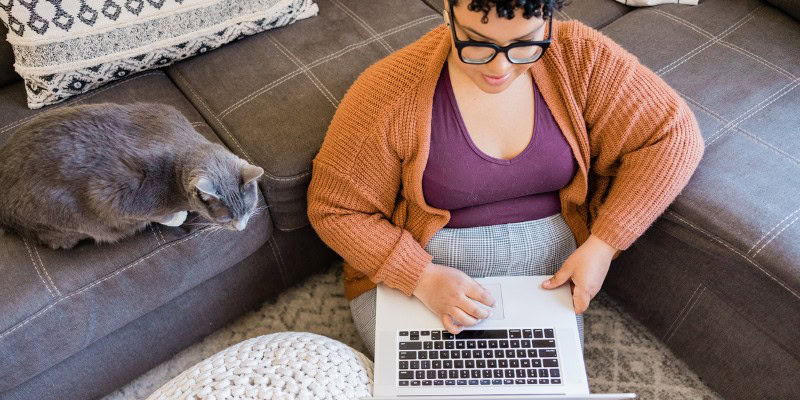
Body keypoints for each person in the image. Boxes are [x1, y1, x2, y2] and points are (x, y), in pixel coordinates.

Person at [307, 0, 704, 357]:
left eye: (525, 43)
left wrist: (603, 245)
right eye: (476, 42)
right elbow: (335, 209)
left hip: (545, 284)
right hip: (420, 280)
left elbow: (673, 137)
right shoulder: (390, 90)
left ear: (548, 19)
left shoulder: (581, 56)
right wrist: (421, 277)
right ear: (447, 11)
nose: (500, 68)